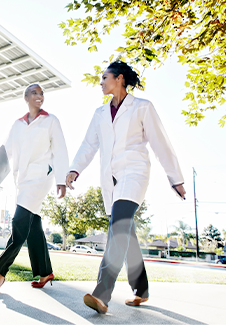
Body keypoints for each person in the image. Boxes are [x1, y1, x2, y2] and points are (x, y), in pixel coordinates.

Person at [66, 61, 186, 314]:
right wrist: (75, 169)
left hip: (135, 173)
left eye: (104, 77)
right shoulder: (99, 113)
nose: (101, 82)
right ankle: (141, 288)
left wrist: (175, 177)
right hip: (110, 179)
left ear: (120, 79)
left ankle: (102, 292)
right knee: (126, 232)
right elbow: (89, 145)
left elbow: (160, 142)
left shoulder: (142, 107)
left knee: (118, 225)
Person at [0, 83, 69, 291]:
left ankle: (0, 273)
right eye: (34, 93)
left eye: (42, 93)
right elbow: (7, 150)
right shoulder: (18, 125)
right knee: (33, 225)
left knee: (19, 221)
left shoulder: (51, 121)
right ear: (26, 98)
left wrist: (61, 179)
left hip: (41, 177)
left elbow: (60, 150)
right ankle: (45, 272)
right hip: (22, 180)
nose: (39, 96)